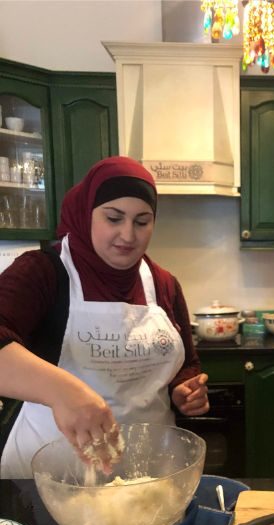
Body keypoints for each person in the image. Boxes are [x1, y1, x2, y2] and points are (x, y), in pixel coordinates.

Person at [0, 156, 209, 478]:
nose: (128, 235)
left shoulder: (163, 283)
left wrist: (184, 389)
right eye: (114, 218)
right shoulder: (42, 273)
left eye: (142, 222)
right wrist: (62, 391)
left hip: (150, 471)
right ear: (86, 215)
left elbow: (186, 363)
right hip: (55, 474)